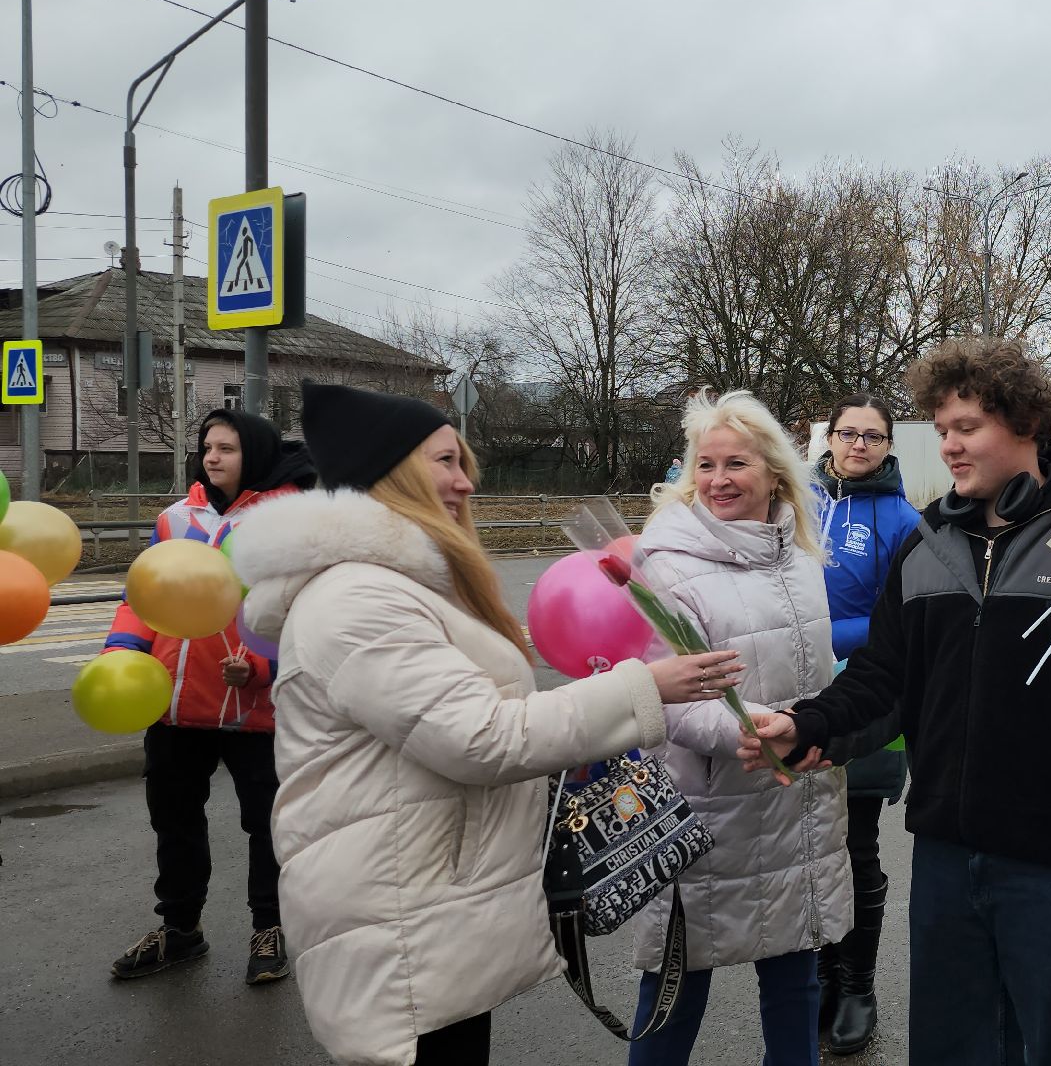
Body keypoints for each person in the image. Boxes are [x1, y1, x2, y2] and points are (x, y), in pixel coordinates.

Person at [741, 338, 1051, 1066]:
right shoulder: (926, 545)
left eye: (967, 428)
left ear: (1026, 423)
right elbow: (884, 680)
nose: (949, 446)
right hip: (945, 849)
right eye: (941, 430)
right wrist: (806, 725)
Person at [229, 382, 725, 1066]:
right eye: (445, 462)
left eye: (464, 464)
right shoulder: (357, 599)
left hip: (427, 905)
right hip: (402, 921)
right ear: (391, 473)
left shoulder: (394, 585)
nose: (465, 482)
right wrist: (643, 688)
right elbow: (482, 739)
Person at [624, 388, 851, 1066]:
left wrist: (819, 732)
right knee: (674, 988)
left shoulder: (803, 557)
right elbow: (660, 697)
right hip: (706, 811)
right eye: (706, 465)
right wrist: (750, 728)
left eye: (737, 465)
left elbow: (820, 675)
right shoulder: (664, 562)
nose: (719, 481)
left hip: (795, 801)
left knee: (794, 984)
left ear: (775, 472)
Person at [106, 409, 315, 986]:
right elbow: (140, 595)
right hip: (173, 706)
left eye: (227, 447)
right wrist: (121, 653)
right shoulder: (176, 518)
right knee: (173, 823)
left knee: (266, 826)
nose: (212, 456)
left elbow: (308, 611)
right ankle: (179, 931)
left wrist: (260, 666)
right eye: (207, 446)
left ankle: (269, 929)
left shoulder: (290, 521)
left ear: (256, 452)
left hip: (255, 709)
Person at [808, 393, 920, 1055]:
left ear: (887, 446)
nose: (858, 445)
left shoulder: (903, 520)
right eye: (847, 433)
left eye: (871, 437)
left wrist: (822, 633)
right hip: (798, 695)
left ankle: (858, 986)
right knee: (806, 846)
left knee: (854, 845)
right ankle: (821, 974)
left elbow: (898, 618)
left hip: (869, 696)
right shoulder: (799, 502)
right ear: (829, 439)